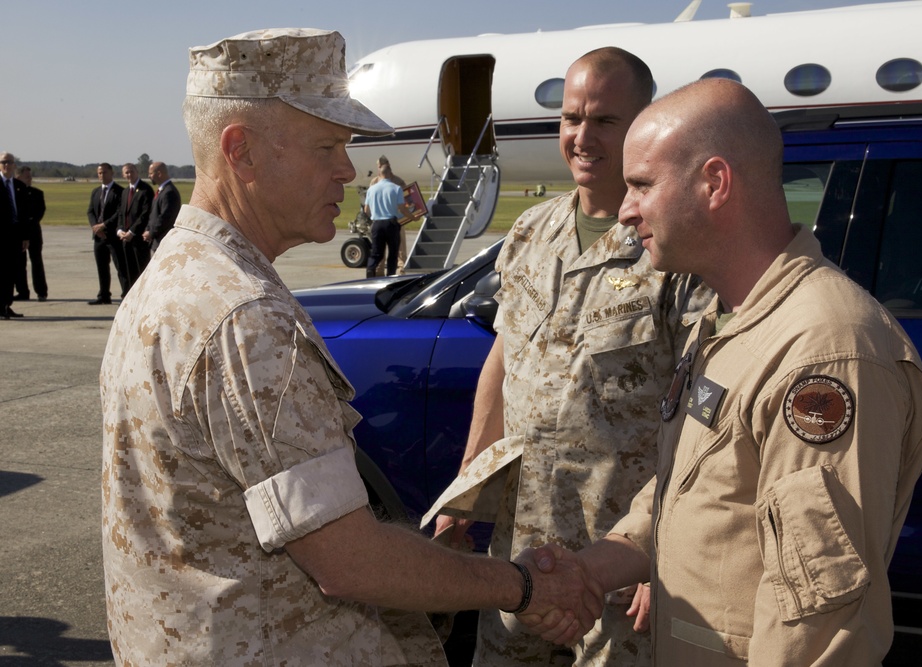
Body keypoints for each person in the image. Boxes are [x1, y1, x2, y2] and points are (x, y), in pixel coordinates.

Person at [100, 28, 603, 666]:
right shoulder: (245, 316)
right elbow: (347, 560)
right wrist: (522, 585)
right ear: (241, 151)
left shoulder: (173, 276)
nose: (348, 168)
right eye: (327, 145)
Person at [521, 78, 922, 665]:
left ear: (714, 183)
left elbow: (816, 626)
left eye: (641, 185)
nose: (625, 208)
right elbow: (701, 490)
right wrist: (590, 568)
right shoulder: (730, 318)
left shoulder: (823, 351)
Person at [427, 48, 710, 666]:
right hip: (523, 557)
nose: (583, 137)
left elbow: (703, 417)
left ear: (643, 124)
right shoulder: (531, 232)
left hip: (616, 562)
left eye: (606, 121)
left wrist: (662, 546)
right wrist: (464, 492)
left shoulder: (673, 250)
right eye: (572, 118)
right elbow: (506, 362)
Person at [86, 163, 124, 305]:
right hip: (99, 237)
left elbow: (119, 213)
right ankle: (104, 295)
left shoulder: (119, 191)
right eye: (99, 173)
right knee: (102, 267)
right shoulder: (96, 192)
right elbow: (90, 211)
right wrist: (95, 227)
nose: (101, 175)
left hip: (113, 236)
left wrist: (104, 225)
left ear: (111, 173)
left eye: (104, 172)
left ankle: (126, 295)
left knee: (120, 267)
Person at [364, 161, 408, 278]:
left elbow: (366, 210)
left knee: (376, 252)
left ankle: (370, 269)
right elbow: (403, 207)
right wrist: (412, 217)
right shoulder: (397, 186)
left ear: (381, 170)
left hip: (377, 223)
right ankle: (390, 275)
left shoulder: (372, 187)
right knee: (393, 253)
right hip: (392, 222)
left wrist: (374, 215)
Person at [115, 162, 154, 292]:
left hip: (138, 239)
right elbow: (121, 213)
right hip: (126, 239)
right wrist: (120, 230)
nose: (129, 174)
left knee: (141, 271)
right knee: (129, 271)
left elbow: (145, 214)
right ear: (123, 175)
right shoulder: (125, 192)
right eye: (126, 172)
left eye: (131, 171)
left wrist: (132, 231)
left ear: (137, 172)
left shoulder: (145, 190)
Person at [1, 152, 28, 318]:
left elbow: (24, 214)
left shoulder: (19, 186)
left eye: (9, 162)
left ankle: (6, 304)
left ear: (14, 165)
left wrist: (25, 236)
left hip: (15, 237)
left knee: (11, 273)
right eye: (3, 162)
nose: (6, 165)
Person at [13, 166, 47, 302]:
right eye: (27, 177)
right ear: (18, 177)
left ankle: (41, 292)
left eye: (31, 177)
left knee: (37, 262)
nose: (30, 179)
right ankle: (22, 292)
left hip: (33, 233)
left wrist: (29, 224)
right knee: (19, 264)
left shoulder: (37, 193)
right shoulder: (14, 193)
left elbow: (40, 212)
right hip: (18, 233)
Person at [143, 161, 181, 252]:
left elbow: (165, 217)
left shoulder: (169, 192)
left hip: (163, 242)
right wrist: (147, 229)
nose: (149, 176)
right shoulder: (162, 191)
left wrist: (151, 232)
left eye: (151, 173)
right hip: (157, 240)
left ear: (159, 174)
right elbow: (154, 214)